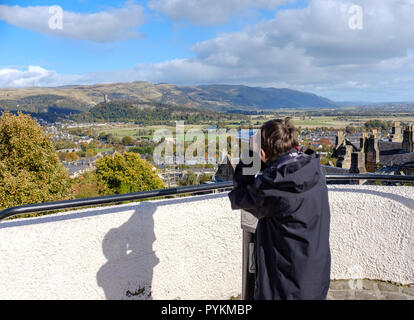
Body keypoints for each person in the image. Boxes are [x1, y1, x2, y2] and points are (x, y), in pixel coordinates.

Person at [228, 118, 331, 300]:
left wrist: (250, 156)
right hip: (315, 276)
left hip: (284, 284)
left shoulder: (273, 185)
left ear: (263, 153)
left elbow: (238, 195)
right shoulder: (314, 168)